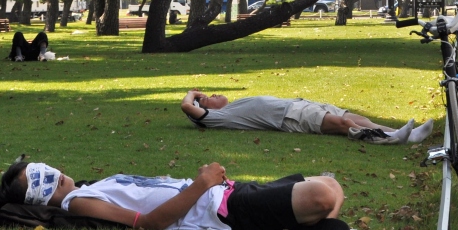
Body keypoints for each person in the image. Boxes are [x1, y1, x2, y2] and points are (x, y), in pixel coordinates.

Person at [0, 156, 347, 230]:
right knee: (321, 194)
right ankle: (305, 222)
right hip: (224, 210)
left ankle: (305, 225)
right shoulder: (77, 203)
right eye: (43, 180)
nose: (55, 175)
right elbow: (149, 225)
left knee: (329, 183)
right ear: (41, 196)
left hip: (227, 192)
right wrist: (202, 183)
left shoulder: (86, 187)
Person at [181, 90, 434, 145]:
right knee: (345, 125)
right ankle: (390, 140)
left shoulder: (232, 107)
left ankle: (406, 134)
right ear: (206, 110)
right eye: (207, 98)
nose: (213, 95)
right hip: (292, 118)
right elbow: (187, 108)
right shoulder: (219, 117)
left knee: (357, 118)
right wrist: (192, 94)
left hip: (301, 106)